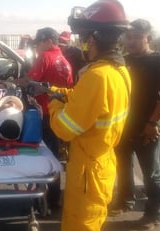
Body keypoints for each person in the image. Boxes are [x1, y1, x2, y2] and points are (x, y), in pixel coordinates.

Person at [46, 1, 131, 230]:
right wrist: (58, 92)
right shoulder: (118, 71)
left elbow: (64, 127)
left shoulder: (97, 77)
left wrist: (53, 104)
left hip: (86, 172)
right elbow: (90, 102)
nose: (82, 43)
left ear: (94, 38)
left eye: (83, 36)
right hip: (101, 164)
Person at [111, 19, 160, 230]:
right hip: (124, 124)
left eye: (137, 37)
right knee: (122, 166)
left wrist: (153, 122)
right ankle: (124, 201)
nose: (132, 41)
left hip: (150, 125)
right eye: (129, 37)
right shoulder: (123, 60)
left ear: (148, 38)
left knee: (152, 172)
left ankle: (154, 213)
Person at [26, 27, 73, 208]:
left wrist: (9, 82)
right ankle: (54, 198)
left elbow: (29, 81)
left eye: (39, 43)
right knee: (54, 155)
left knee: (43, 155)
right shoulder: (64, 60)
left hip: (44, 113)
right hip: (60, 114)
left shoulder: (45, 57)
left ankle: (46, 199)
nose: (37, 47)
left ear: (48, 41)